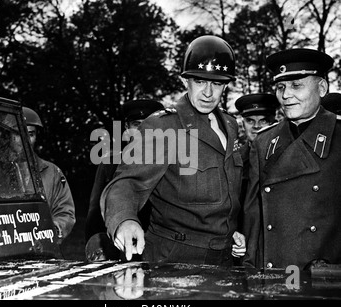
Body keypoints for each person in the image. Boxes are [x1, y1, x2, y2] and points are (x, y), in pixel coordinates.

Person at [100, 35, 246, 265]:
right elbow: (127, 182)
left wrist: (234, 230)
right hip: (175, 258)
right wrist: (124, 220)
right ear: (184, 81)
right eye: (199, 81)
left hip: (225, 258)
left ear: (226, 85)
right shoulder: (165, 125)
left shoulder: (230, 125)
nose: (208, 92)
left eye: (217, 83)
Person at [242, 48, 341, 270]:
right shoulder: (264, 142)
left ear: (322, 88)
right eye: (280, 87)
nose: (286, 95)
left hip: (325, 276)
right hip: (275, 270)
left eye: (296, 86)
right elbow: (254, 217)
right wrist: (251, 268)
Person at [85, 99, 164, 261]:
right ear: (127, 128)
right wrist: (98, 245)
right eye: (136, 124)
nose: (142, 130)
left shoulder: (171, 160)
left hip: (161, 248)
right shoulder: (110, 163)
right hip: (123, 245)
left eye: (149, 124)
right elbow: (95, 212)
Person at [21, 107, 76, 243]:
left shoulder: (52, 172)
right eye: (18, 133)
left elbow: (65, 213)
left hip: (41, 248)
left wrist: (53, 229)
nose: (25, 140)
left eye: (31, 134)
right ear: (8, 135)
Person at [235, 93, 278, 229]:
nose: (256, 126)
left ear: (273, 122)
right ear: (243, 124)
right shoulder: (235, 158)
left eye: (263, 121)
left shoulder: (284, 156)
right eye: (250, 121)